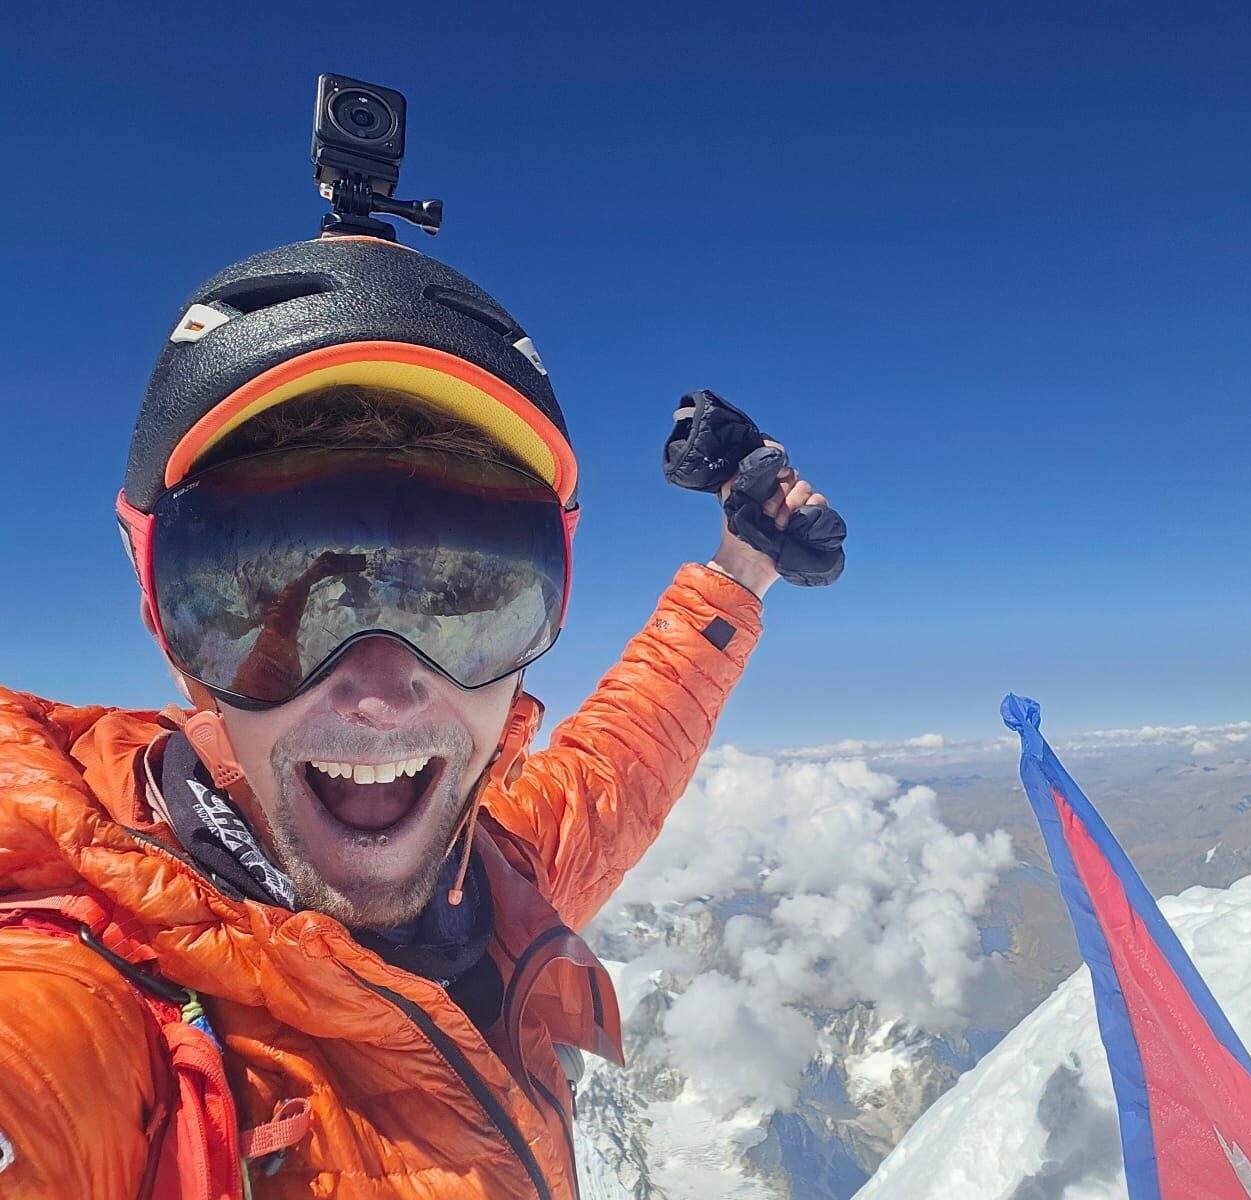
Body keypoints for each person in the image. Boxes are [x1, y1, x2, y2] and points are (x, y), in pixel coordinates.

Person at [0, 234, 832, 1198]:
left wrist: (743, 568)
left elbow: (620, 769)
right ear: (163, 618)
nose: (383, 692)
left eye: (467, 594)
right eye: (272, 591)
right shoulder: (83, 995)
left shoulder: (489, 877)